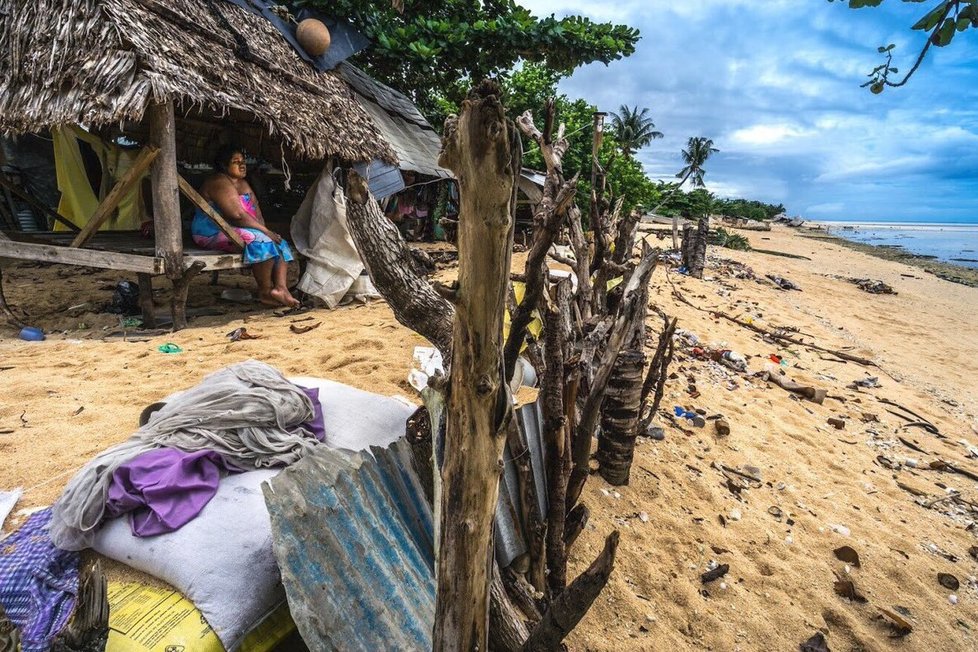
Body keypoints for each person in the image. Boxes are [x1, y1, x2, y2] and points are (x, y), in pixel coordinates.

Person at [192, 145, 299, 307]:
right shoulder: (218, 181)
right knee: (262, 241)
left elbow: (257, 214)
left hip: (237, 230)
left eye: (243, 161)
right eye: (236, 162)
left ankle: (281, 288)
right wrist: (265, 232)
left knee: (279, 242)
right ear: (223, 165)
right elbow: (236, 215)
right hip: (212, 231)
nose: (242, 165)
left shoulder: (243, 184)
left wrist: (267, 231)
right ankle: (265, 291)